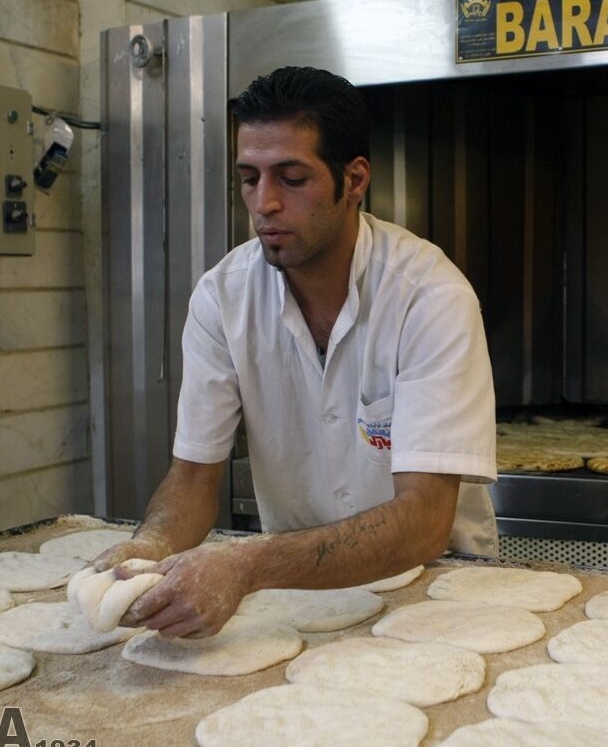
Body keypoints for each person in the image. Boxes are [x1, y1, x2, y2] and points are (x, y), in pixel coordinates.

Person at [95, 66, 497, 639]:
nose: (265, 205)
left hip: (436, 590)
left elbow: (423, 522)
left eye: (291, 178)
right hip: (297, 596)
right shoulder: (223, 297)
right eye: (249, 178)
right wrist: (150, 543)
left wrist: (247, 564)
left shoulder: (429, 298)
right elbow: (193, 476)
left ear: (353, 179)